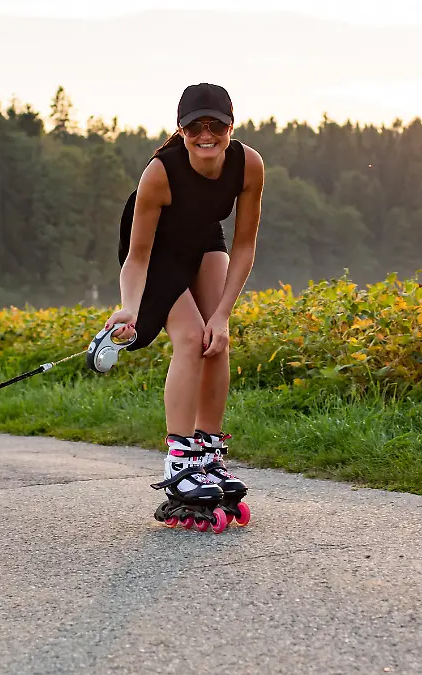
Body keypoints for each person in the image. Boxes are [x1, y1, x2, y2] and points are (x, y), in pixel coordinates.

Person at [104, 82, 265, 531]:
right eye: (196, 126)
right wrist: (129, 308)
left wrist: (224, 314)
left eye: (217, 124)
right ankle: (180, 462)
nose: (206, 134)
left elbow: (245, 244)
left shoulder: (248, 164)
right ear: (181, 128)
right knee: (192, 338)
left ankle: (209, 454)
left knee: (216, 339)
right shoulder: (160, 173)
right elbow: (137, 257)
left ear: (232, 126)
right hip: (156, 252)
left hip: (202, 239)